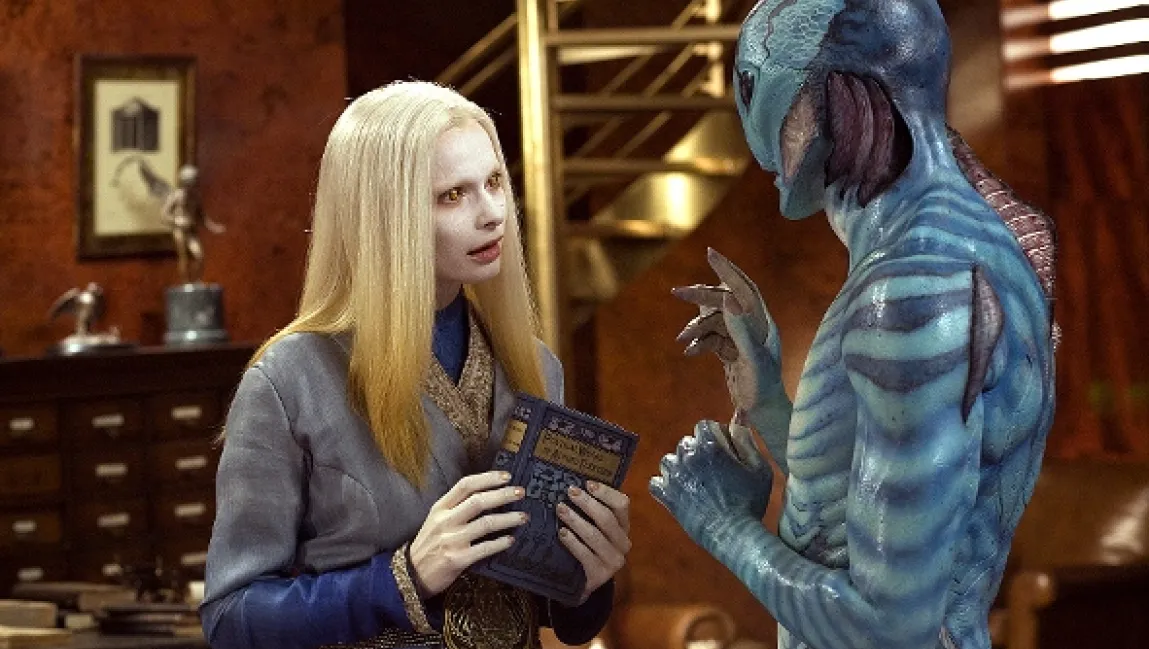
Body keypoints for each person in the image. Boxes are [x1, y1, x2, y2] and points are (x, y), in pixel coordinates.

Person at [650, 1, 1057, 648]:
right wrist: (769, 403)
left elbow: (889, 624)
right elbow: (873, 514)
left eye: (754, 81)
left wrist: (719, 520)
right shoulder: (957, 247)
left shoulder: (913, 286)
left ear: (824, 98)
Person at [200, 81, 630, 649]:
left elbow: (548, 614)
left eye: (494, 183)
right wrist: (402, 577)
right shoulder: (289, 379)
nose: (493, 214)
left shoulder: (536, 366)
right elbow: (230, 619)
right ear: (385, 217)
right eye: (453, 195)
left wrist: (587, 578)